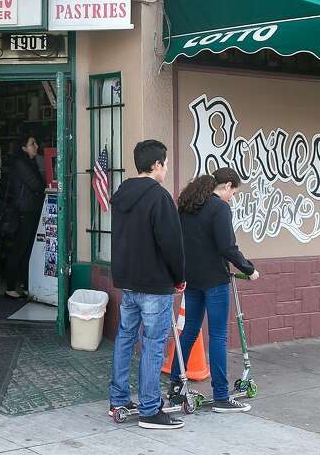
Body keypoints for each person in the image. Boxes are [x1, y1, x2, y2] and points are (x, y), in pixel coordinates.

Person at [108, 140, 186, 430]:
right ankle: (151, 409)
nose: (165, 169)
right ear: (156, 165)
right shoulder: (159, 197)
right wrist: (179, 276)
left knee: (125, 339)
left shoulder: (121, 194)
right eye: (165, 163)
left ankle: (118, 400)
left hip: (128, 282)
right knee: (153, 345)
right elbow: (172, 244)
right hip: (155, 283)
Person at [169, 167, 258, 413]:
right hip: (215, 280)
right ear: (227, 186)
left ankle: (176, 386)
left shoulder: (188, 205)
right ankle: (221, 396)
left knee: (189, 332)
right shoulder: (219, 208)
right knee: (218, 335)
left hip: (192, 279)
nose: (233, 197)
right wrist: (249, 269)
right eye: (234, 192)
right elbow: (227, 247)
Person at [2, 135, 46, 299]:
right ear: (23, 148)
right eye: (32, 144)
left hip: (29, 209)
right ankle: (10, 286)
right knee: (20, 248)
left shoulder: (30, 163)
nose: (36, 146)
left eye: (35, 143)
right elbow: (37, 184)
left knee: (27, 249)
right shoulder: (21, 163)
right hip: (24, 211)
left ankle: (26, 284)